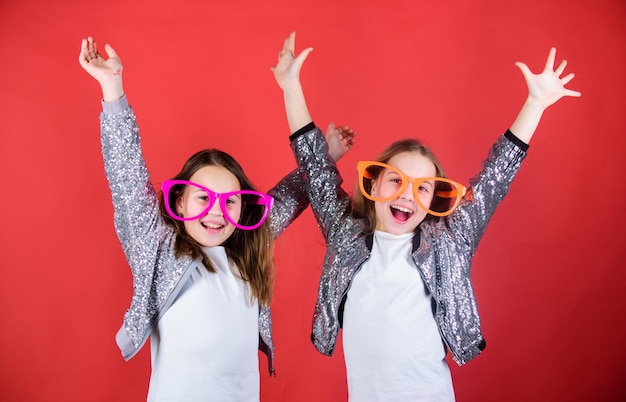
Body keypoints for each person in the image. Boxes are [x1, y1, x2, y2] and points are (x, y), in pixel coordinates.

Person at [272, 32, 581, 401]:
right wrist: (291, 87)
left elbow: (494, 179)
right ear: (374, 182)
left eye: (421, 187)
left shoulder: (450, 240)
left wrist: (535, 103)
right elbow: (315, 169)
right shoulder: (345, 234)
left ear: (435, 199)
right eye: (396, 180)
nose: (406, 193)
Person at [78, 36, 355, 402]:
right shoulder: (159, 250)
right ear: (178, 202)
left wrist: (326, 158)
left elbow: (290, 196)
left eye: (231, 201)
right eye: (204, 198)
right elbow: (126, 176)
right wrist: (112, 88)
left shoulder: (247, 247)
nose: (216, 211)